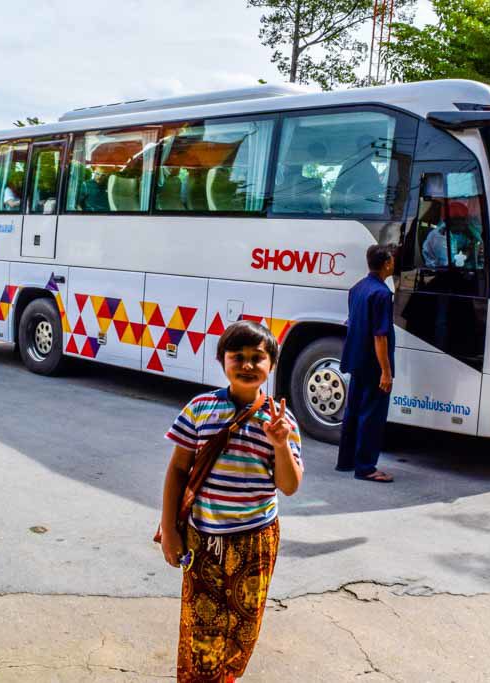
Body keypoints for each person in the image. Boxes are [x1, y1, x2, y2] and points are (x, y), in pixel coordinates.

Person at [160, 320, 304, 682]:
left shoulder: (281, 420)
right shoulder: (199, 408)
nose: (247, 364)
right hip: (203, 540)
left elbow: (289, 486)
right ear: (222, 361)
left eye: (258, 357)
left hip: (255, 541)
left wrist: (280, 443)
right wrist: (171, 532)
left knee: (243, 628)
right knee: (202, 628)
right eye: (237, 356)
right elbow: (178, 470)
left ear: (271, 364)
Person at [336, 244, 396, 482]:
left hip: (356, 359)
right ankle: (366, 467)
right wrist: (386, 372)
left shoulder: (358, 288)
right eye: (392, 260)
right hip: (373, 364)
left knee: (353, 412)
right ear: (387, 263)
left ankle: (346, 461)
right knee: (372, 415)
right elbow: (380, 336)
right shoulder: (382, 294)